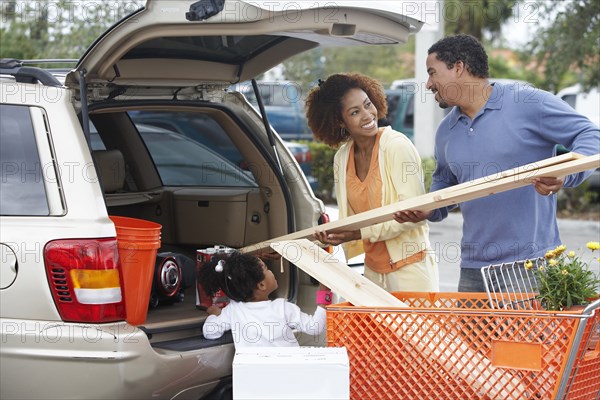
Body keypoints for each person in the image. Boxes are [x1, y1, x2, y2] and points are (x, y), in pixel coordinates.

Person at [394, 34, 600, 292]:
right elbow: (445, 182)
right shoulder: (446, 129)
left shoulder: (527, 103)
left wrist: (565, 175)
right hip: (472, 270)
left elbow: (591, 135)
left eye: (432, 73)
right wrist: (429, 209)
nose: (428, 84)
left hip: (528, 267)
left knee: (523, 336)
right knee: (471, 335)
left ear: (458, 68)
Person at [305, 72, 439, 292]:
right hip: (372, 273)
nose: (368, 115)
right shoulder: (342, 158)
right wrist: (330, 235)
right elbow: (352, 221)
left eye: (368, 105)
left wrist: (358, 233)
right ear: (340, 121)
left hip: (411, 270)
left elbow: (412, 216)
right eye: (355, 112)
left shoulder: (397, 146)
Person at [199, 251, 330, 348]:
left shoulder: (234, 309)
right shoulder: (282, 308)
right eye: (267, 269)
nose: (272, 272)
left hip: (257, 380)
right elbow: (315, 327)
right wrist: (325, 293)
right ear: (261, 285)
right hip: (289, 376)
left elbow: (210, 332)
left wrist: (214, 315)